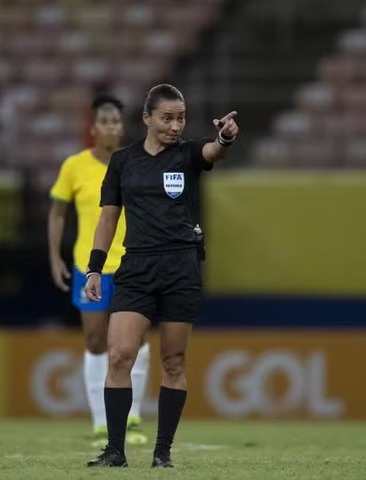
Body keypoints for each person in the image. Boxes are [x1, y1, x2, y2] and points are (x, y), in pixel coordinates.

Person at [83, 84, 239, 468]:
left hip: (180, 267)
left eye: (181, 118)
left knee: (173, 361)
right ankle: (115, 452)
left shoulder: (188, 154)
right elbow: (108, 217)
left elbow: (212, 151)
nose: (175, 126)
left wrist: (224, 137)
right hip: (136, 268)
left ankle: (162, 453)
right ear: (147, 118)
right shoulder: (123, 161)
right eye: (167, 118)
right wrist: (94, 267)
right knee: (119, 354)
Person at [48, 94, 150, 447]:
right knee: (95, 342)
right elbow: (58, 212)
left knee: (135, 340)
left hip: (132, 265)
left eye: (116, 121)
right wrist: (54, 256)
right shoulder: (74, 166)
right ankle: (100, 423)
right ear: (92, 129)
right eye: (105, 121)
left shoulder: (136, 162)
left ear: (123, 128)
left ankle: (133, 418)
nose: (111, 126)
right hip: (87, 267)